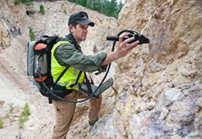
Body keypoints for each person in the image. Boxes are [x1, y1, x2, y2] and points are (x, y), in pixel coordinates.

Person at [51, 11, 139, 139]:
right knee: (61, 131)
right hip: (64, 93)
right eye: (82, 27)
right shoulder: (63, 47)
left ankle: (93, 123)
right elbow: (84, 62)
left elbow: (78, 66)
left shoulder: (73, 45)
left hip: (76, 86)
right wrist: (116, 54)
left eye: (87, 28)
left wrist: (86, 79)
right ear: (71, 28)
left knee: (96, 94)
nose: (85, 31)